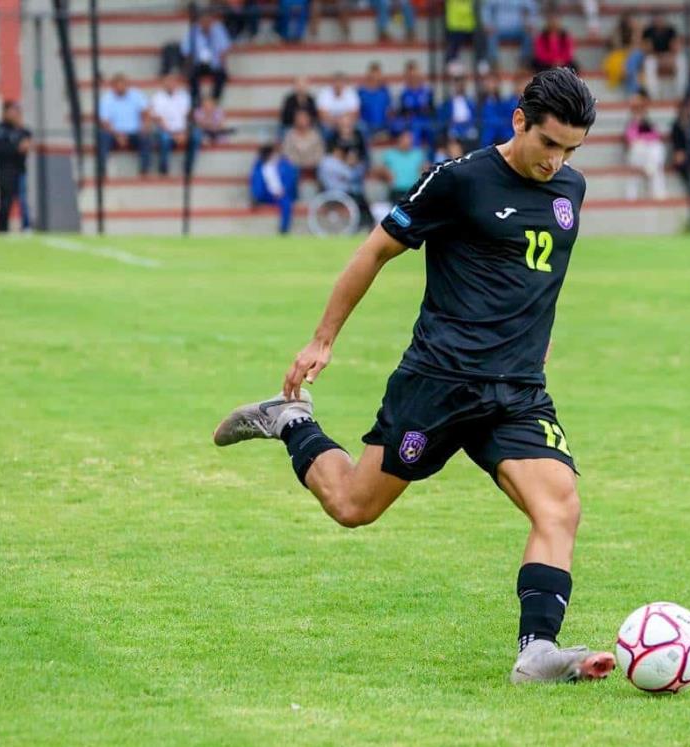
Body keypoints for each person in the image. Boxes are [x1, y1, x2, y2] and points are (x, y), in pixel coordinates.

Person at [212, 68, 616, 685]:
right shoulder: (459, 182)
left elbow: (540, 280)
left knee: (560, 508)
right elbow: (373, 251)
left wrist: (538, 344)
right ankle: (292, 421)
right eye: (549, 144)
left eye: (571, 150)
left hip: (516, 393)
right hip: (438, 382)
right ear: (519, 121)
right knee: (352, 506)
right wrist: (323, 339)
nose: (557, 161)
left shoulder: (571, 191)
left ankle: (537, 651)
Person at [0, 100, 31, 233]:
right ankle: (2, 228)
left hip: (20, 170)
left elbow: (27, 142)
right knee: (5, 201)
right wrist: (15, 148)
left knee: (23, 200)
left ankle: (26, 227)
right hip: (4, 171)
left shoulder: (21, 130)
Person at [98, 74, 153, 178]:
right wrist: (118, 135)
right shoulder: (106, 99)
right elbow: (104, 122)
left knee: (146, 136)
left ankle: (144, 171)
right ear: (113, 86)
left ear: (127, 85)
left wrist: (145, 126)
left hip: (134, 133)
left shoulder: (136, 95)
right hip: (114, 133)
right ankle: (102, 171)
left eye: (124, 85)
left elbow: (146, 113)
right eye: (118, 85)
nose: (121, 88)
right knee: (102, 135)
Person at [317, 143, 373, 230]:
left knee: (360, 196)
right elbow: (350, 175)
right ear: (337, 151)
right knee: (359, 197)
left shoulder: (328, 161)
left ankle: (367, 222)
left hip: (338, 189)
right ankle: (365, 223)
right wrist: (351, 164)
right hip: (335, 191)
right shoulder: (330, 162)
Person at [624, 89, 667, 200]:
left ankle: (658, 194)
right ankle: (650, 168)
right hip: (637, 154)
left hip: (649, 154)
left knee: (657, 148)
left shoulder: (649, 118)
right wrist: (645, 137)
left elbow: (657, 136)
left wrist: (644, 137)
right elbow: (631, 138)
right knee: (639, 145)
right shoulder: (631, 120)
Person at [150, 72, 198, 175]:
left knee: (196, 136)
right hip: (165, 129)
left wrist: (184, 133)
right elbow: (158, 119)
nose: (171, 84)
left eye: (173, 82)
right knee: (164, 138)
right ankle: (163, 168)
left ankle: (188, 167)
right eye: (168, 82)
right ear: (164, 83)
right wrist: (174, 135)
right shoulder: (157, 97)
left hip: (182, 129)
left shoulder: (184, 96)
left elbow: (187, 117)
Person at [181, 10, 230, 103]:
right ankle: (197, 101)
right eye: (203, 21)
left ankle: (214, 101)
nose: (206, 24)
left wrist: (224, 66)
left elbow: (224, 50)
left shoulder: (219, 29)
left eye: (208, 21)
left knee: (221, 75)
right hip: (198, 63)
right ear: (199, 22)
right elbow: (185, 50)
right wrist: (188, 65)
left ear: (212, 21)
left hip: (214, 63)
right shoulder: (193, 31)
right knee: (191, 75)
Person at [250, 143, 299, 234]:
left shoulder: (285, 164)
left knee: (286, 203)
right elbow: (256, 183)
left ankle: (283, 229)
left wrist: (283, 191)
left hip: (281, 193)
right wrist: (256, 195)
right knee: (258, 196)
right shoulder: (259, 167)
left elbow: (291, 179)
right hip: (267, 194)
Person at [482, 0, 539, 71]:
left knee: (528, 35)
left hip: (517, 29)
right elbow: (486, 9)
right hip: (499, 29)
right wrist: (488, 24)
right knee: (490, 36)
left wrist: (531, 23)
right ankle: (494, 64)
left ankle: (524, 63)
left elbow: (533, 8)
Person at [641, 10, 686, 98]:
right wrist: (660, 58)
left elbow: (676, 47)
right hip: (655, 57)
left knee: (681, 60)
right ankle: (654, 95)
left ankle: (680, 94)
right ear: (653, 20)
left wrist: (669, 57)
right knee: (649, 62)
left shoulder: (671, 30)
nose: (659, 20)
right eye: (657, 18)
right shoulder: (648, 31)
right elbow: (647, 49)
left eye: (661, 18)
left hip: (668, 57)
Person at [378, 128, 427, 202]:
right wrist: (387, 174)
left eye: (410, 138)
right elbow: (382, 170)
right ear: (399, 139)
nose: (409, 141)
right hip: (396, 191)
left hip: (413, 190)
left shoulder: (418, 154)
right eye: (406, 138)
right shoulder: (390, 154)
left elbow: (425, 169)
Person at [398, 61, 436, 146]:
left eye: (415, 75)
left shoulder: (427, 90)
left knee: (433, 129)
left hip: (426, 119)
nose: (413, 78)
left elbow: (432, 109)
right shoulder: (403, 91)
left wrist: (426, 110)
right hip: (411, 121)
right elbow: (402, 111)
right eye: (411, 76)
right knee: (415, 127)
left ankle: (433, 156)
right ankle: (416, 155)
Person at [316, 72, 361, 139]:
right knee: (325, 130)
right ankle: (329, 148)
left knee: (362, 128)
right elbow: (322, 115)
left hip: (347, 122)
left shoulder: (351, 92)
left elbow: (355, 113)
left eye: (341, 82)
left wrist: (344, 122)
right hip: (329, 123)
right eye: (336, 82)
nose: (338, 85)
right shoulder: (324, 93)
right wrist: (337, 122)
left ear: (344, 83)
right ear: (332, 83)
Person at [479, 71, 519, 145]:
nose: (492, 85)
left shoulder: (501, 101)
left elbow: (505, 116)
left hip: (501, 131)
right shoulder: (480, 102)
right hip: (488, 131)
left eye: (494, 82)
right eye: (489, 82)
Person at [439, 72, 478, 145]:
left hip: (468, 126)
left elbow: (474, 116)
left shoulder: (470, 102)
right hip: (454, 127)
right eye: (457, 85)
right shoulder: (448, 103)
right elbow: (445, 118)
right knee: (452, 134)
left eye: (461, 85)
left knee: (473, 134)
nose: (459, 87)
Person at [358, 62, 393, 135]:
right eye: (373, 73)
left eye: (378, 74)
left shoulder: (385, 91)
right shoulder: (361, 91)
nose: (375, 76)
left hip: (383, 125)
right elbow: (357, 111)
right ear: (368, 74)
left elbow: (389, 110)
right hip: (367, 126)